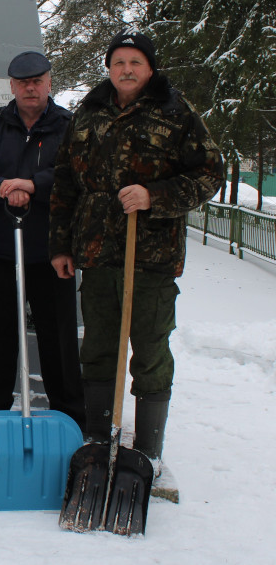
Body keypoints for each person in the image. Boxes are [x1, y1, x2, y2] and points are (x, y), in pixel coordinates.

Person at [49, 30, 224, 468]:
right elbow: (65, 181)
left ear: (150, 68)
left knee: (149, 351)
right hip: (96, 253)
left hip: (152, 258)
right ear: (109, 69)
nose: (126, 70)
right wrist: (61, 246)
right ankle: (98, 438)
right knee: (99, 350)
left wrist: (155, 196)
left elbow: (209, 173)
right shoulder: (88, 114)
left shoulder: (177, 113)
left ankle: (147, 449)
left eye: (135, 63)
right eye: (118, 63)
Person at [0, 51, 85, 429]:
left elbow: (77, 173)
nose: (31, 87)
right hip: (4, 250)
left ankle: (69, 418)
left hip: (53, 251)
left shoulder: (68, 126)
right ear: (12, 87)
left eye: (38, 80)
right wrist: (2, 187)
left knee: (59, 338)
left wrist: (34, 185)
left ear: (49, 83)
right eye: (23, 82)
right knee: (1, 338)